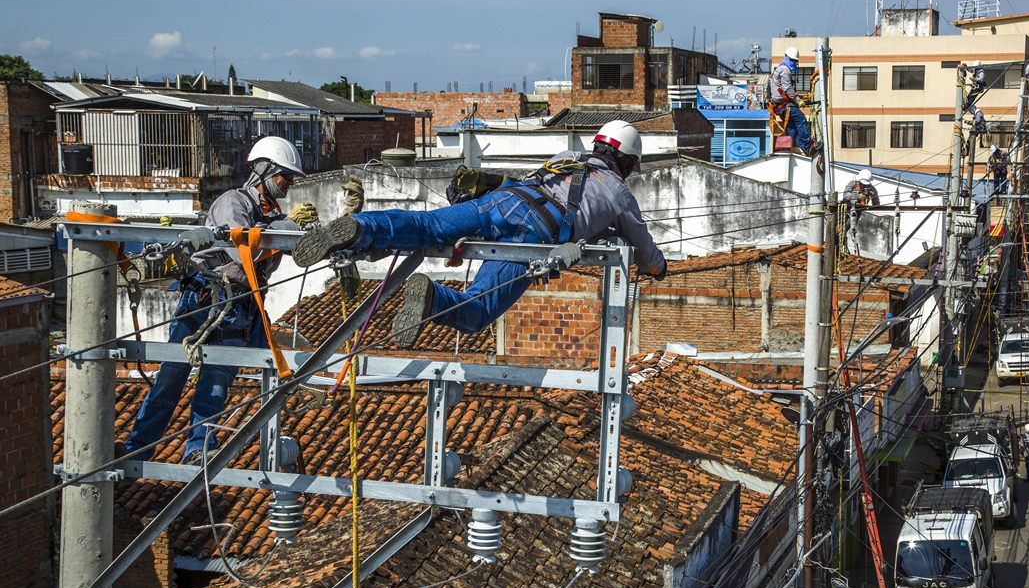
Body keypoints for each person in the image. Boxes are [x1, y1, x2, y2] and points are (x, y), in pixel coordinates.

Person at [293, 120, 668, 349]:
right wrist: (658, 269)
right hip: (535, 233)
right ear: (626, 162)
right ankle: (433, 298)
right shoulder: (619, 192)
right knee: (478, 310)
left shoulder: (567, 155)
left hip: (502, 199)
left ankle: (361, 228)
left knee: (427, 226)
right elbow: (646, 249)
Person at [123, 136, 313, 465]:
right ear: (265, 171)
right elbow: (241, 250)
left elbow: (270, 253)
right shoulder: (233, 202)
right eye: (286, 174)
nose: (290, 181)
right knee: (170, 378)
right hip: (205, 299)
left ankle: (198, 449)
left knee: (215, 385)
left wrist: (296, 231)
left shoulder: (272, 215)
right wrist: (285, 227)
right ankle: (136, 448)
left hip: (240, 308)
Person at [770, 46, 813, 154]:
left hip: (779, 107)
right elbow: (787, 88)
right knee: (800, 119)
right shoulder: (785, 70)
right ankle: (808, 144)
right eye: (795, 61)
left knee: (792, 127)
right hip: (784, 105)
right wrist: (798, 100)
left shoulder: (779, 68)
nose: (795, 63)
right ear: (790, 59)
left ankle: (806, 149)